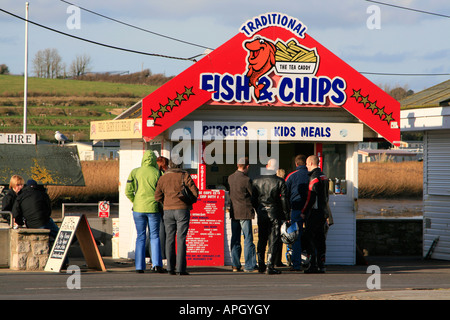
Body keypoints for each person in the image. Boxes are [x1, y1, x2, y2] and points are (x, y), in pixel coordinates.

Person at [154, 160, 198, 275]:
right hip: (182, 210)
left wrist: (166, 202)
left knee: (169, 238)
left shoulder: (163, 178)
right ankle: (181, 269)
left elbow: (157, 196)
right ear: (180, 165)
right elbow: (195, 193)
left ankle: (170, 268)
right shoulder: (184, 175)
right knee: (181, 238)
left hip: (167, 211)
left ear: (170, 165)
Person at [125, 150, 164, 273]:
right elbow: (162, 192)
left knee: (140, 237)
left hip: (138, 209)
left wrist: (135, 201)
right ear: (153, 160)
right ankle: (157, 265)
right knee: (154, 236)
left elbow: (128, 191)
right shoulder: (158, 172)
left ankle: (139, 266)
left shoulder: (135, 172)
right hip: (153, 208)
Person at [252, 159, 289, 274]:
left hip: (262, 212)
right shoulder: (280, 181)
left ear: (267, 166)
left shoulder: (256, 180)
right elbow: (284, 200)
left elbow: (253, 199)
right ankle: (270, 265)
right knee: (274, 239)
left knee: (262, 238)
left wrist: (258, 209)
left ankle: (261, 264)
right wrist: (287, 214)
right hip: (275, 212)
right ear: (276, 168)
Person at [227, 157, 257, 273]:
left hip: (234, 212)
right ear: (247, 166)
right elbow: (252, 195)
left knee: (235, 238)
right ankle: (249, 265)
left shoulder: (230, 178)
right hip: (245, 212)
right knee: (248, 238)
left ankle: (235, 265)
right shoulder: (246, 179)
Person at [301, 155, 330, 273]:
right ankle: (321, 263)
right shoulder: (324, 176)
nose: (306, 166)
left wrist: (303, 212)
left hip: (314, 212)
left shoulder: (314, 178)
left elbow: (310, 197)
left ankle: (312, 264)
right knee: (321, 239)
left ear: (311, 163)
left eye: (307, 164)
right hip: (323, 212)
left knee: (310, 238)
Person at [285, 154, 309, 271]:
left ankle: (296, 264)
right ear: (306, 163)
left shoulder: (291, 176)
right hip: (309, 210)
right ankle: (314, 262)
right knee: (312, 236)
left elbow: (285, 194)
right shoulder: (311, 175)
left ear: (296, 164)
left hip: (295, 209)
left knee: (296, 237)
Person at [156, 156, 169, 265]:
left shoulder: (159, 174)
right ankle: (163, 256)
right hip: (163, 207)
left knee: (153, 233)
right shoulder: (163, 174)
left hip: (156, 206)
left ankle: (154, 256)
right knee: (162, 232)